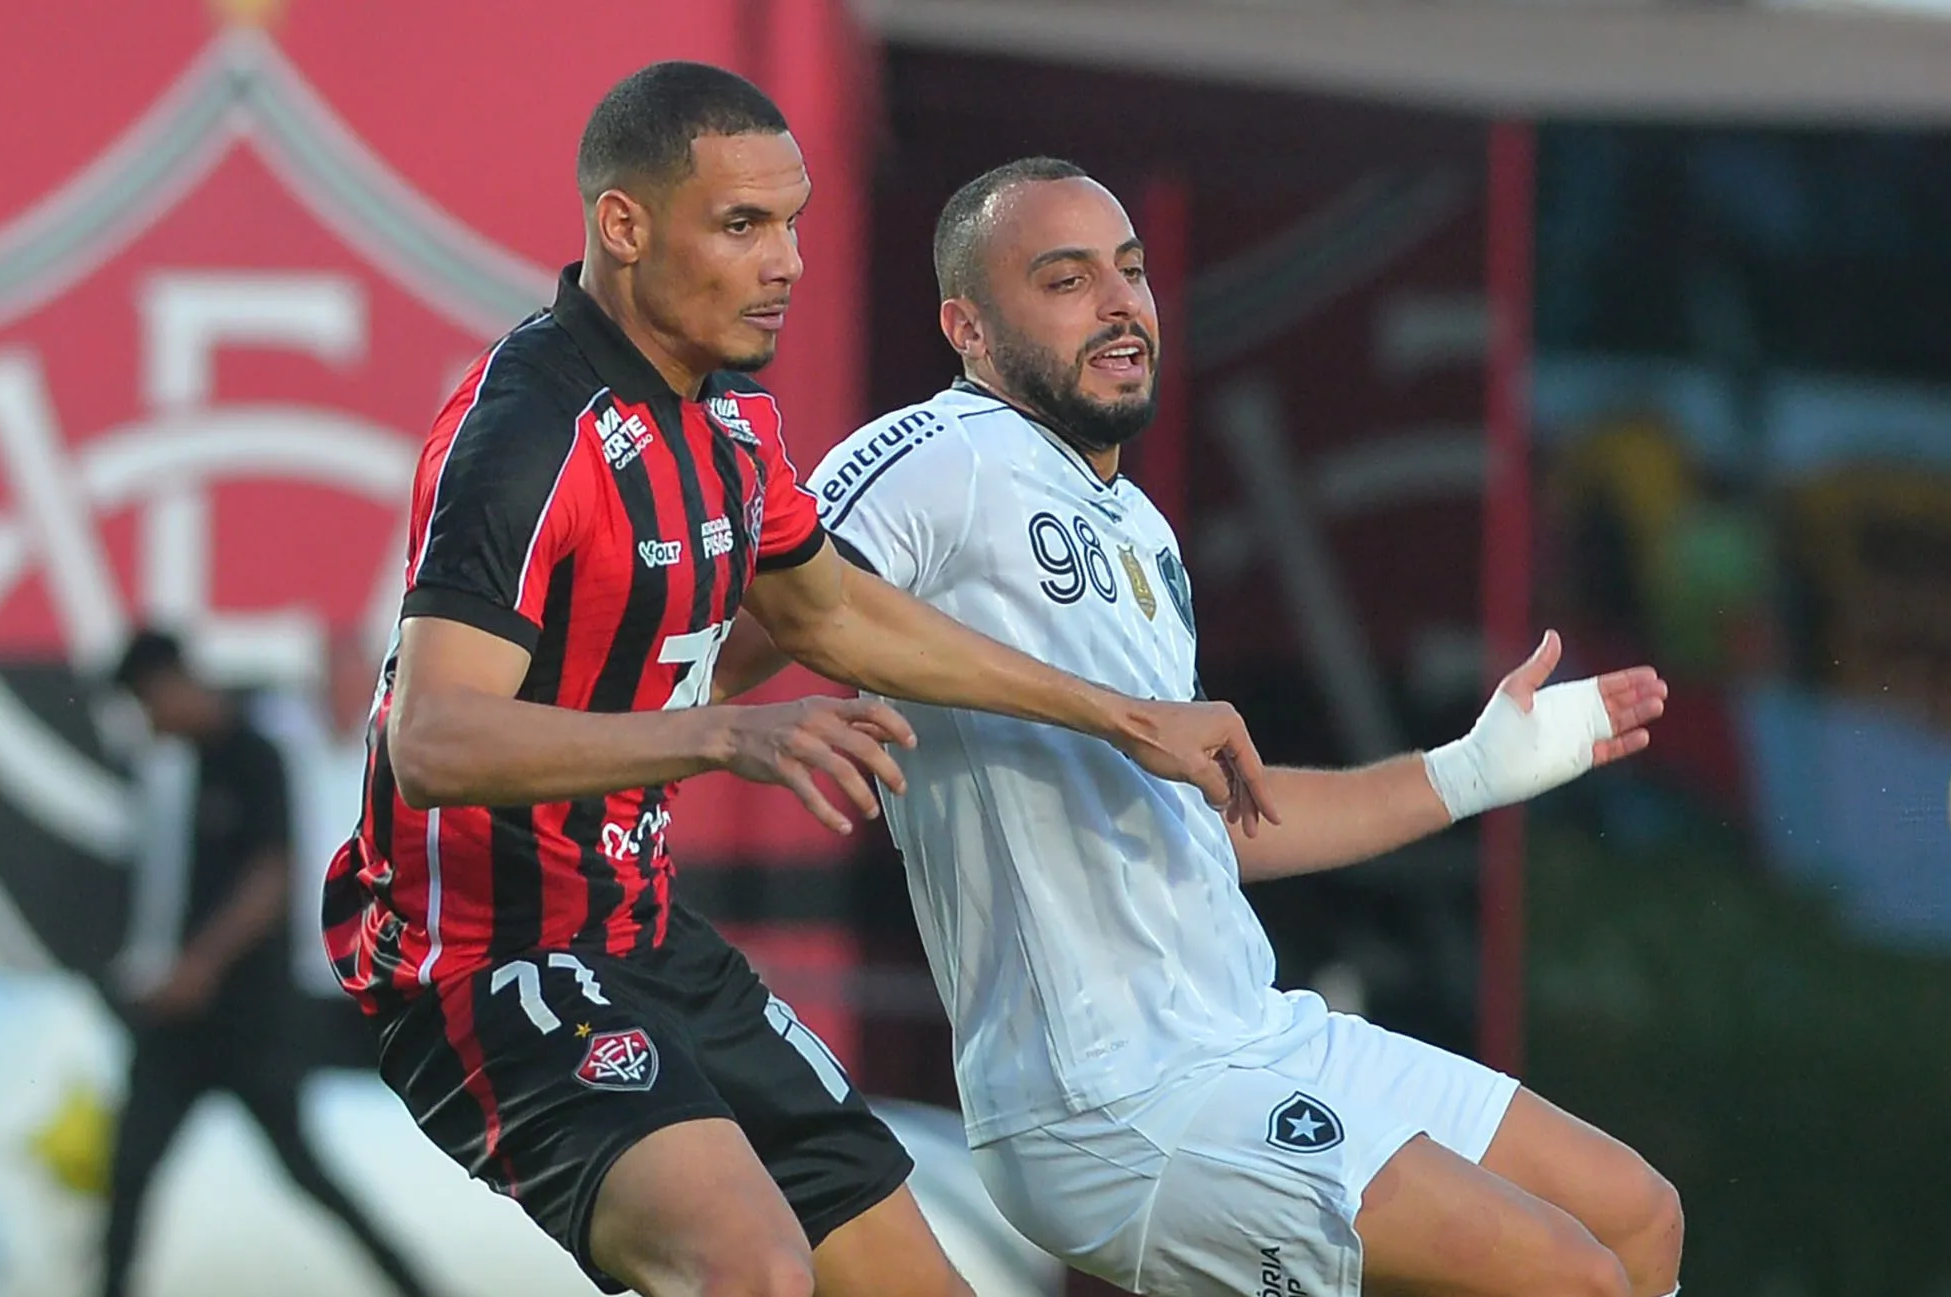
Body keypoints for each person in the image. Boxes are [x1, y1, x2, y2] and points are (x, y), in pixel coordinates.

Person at [320, 69, 1274, 1297]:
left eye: (791, 222)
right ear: (624, 226)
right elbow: (436, 742)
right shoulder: (525, 434)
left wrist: (1127, 718)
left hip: (646, 934)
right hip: (486, 959)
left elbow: (832, 611)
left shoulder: (732, 422)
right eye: (741, 226)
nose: (787, 263)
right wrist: (728, 736)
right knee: (751, 1271)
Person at [716, 157, 1684, 1297]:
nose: (1119, 304)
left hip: (1251, 1033)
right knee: (1565, 1277)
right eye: (1066, 280)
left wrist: (1472, 770)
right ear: (966, 327)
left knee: (1635, 1215)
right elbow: (753, 630)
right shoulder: (940, 456)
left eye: (1129, 272)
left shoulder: (1141, 530)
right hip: (1108, 1093)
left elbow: (1216, 825)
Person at [104, 629, 432, 1297]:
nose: (148, 723)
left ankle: (419, 1286)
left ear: (169, 686)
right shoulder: (185, 766)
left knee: (308, 1173)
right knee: (131, 1169)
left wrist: (199, 964)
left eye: (146, 705)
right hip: (185, 1023)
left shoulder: (255, 754)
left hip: (250, 1016)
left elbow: (271, 876)